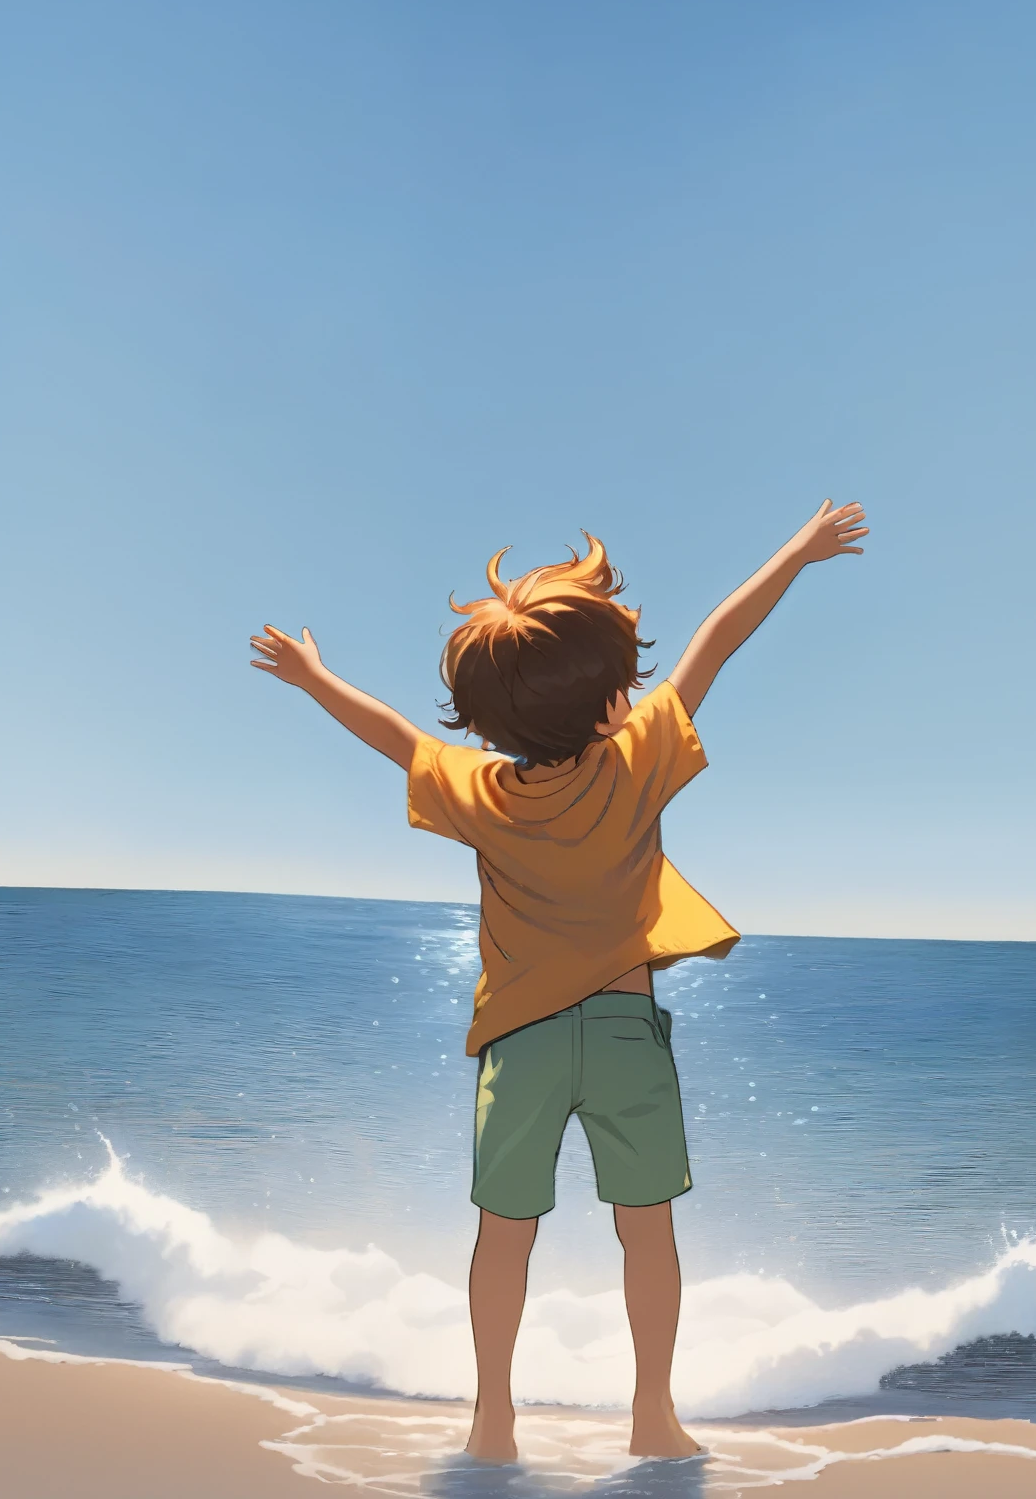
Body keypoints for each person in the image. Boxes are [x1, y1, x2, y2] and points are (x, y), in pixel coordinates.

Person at [251, 497, 868, 1461]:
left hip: (522, 1041)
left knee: (504, 1233)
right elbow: (717, 640)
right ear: (616, 696)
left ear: (489, 720)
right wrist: (799, 550)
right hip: (624, 1029)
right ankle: (652, 1416)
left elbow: (392, 734)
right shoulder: (641, 756)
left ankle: (491, 1419)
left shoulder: (479, 790)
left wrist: (311, 675)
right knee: (647, 1230)